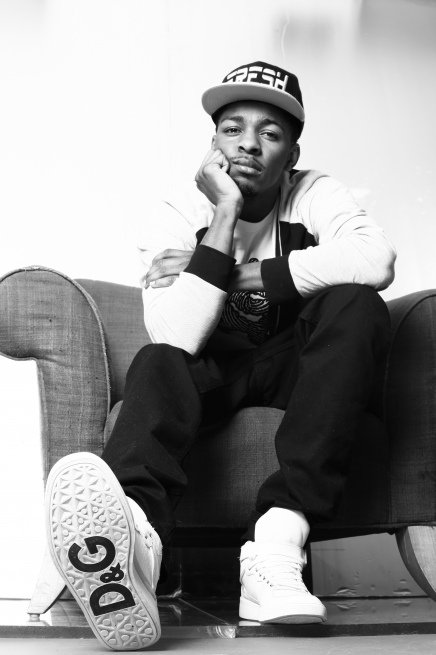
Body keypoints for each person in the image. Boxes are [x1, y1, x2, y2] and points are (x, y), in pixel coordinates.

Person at [45, 61, 396, 650]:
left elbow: (375, 261)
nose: (248, 145)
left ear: (291, 154)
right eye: (233, 129)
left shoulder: (313, 192)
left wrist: (236, 273)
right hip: (213, 373)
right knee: (157, 362)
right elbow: (176, 335)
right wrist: (226, 213)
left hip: (297, 370)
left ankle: (276, 547)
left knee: (357, 305)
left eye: (270, 133)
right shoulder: (180, 211)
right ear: (213, 144)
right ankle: (134, 547)